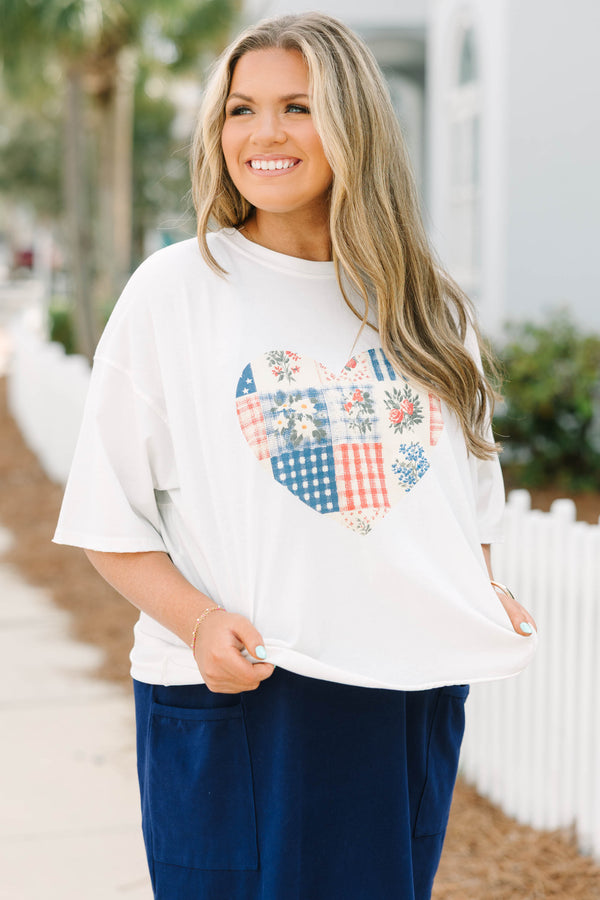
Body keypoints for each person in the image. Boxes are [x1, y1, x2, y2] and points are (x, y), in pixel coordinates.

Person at [54, 12, 537, 900]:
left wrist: (477, 587)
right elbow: (104, 515)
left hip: (400, 691)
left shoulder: (427, 308)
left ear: (354, 122)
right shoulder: (177, 292)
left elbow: (466, 504)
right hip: (244, 690)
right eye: (240, 109)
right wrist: (199, 624)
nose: (263, 134)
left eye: (298, 107)